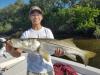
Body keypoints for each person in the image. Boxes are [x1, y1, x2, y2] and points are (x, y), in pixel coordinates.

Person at [6, 6, 64, 75]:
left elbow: (53, 50)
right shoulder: (26, 34)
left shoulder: (47, 31)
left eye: (38, 14)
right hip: (32, 71)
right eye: (33, 15)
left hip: (48, 69)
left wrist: (58, 54)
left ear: (42, 17)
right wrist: (10, 51)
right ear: (30, 17)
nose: (36, 17)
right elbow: (17, 54)